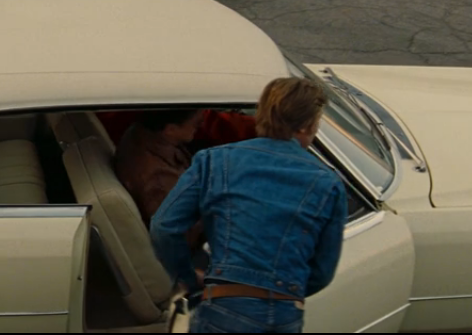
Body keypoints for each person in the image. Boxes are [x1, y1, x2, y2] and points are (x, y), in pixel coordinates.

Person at [148, 78, 347, 333]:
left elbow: (164, 227)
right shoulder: (329, 183)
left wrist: (187, 278)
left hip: (225, 305)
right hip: (286, 313)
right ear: (306, 125)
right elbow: (322, 272)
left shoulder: (214, 161)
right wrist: (284, 293)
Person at [113, 109, 257, 227]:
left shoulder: (148, 136)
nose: (202, 123)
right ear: (171, 129)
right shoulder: (159, 182)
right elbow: (183, 235)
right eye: (195, 123)